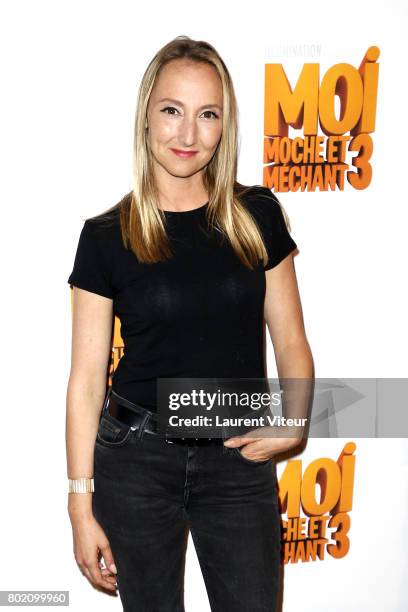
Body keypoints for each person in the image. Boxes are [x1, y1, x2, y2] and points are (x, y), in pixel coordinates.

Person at [66, 35, 314, 612]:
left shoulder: (256, 216)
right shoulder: (106, 236)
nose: (188, 134)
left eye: (208, 115)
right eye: (172, 111)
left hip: (236, 449)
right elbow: (85, 382)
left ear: (224, 126)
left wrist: (294, 419)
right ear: (146, 115)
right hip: (135, 457)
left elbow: (292, 342)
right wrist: (81, 505)